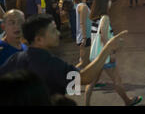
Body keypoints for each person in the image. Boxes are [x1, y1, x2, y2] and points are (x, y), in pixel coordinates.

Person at [0, 14, 128, 96]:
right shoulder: (47, 62)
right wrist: (108, 48)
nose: (58, 33)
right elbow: (84, 78)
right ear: (39, 39)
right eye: (53, 31)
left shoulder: (18, 57)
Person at [85, 0, 142, 106]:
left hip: (96, 56)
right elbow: (104, 37)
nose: (110, 3)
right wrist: (110, 53)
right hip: (104, 55)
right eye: (109, 1)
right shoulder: (105, 17)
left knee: (92, 82)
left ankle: (86, 104)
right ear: (105, 4)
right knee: (117, 79)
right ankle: (128, 101)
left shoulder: (95, 18)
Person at [75, 0, 91, 69]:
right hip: (84, 37)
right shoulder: (83, 6)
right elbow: (82, 23)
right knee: (83, 62)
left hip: (85, 36)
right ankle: (71, 78)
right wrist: (84, 38)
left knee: (86, 61)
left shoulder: (82, 5)